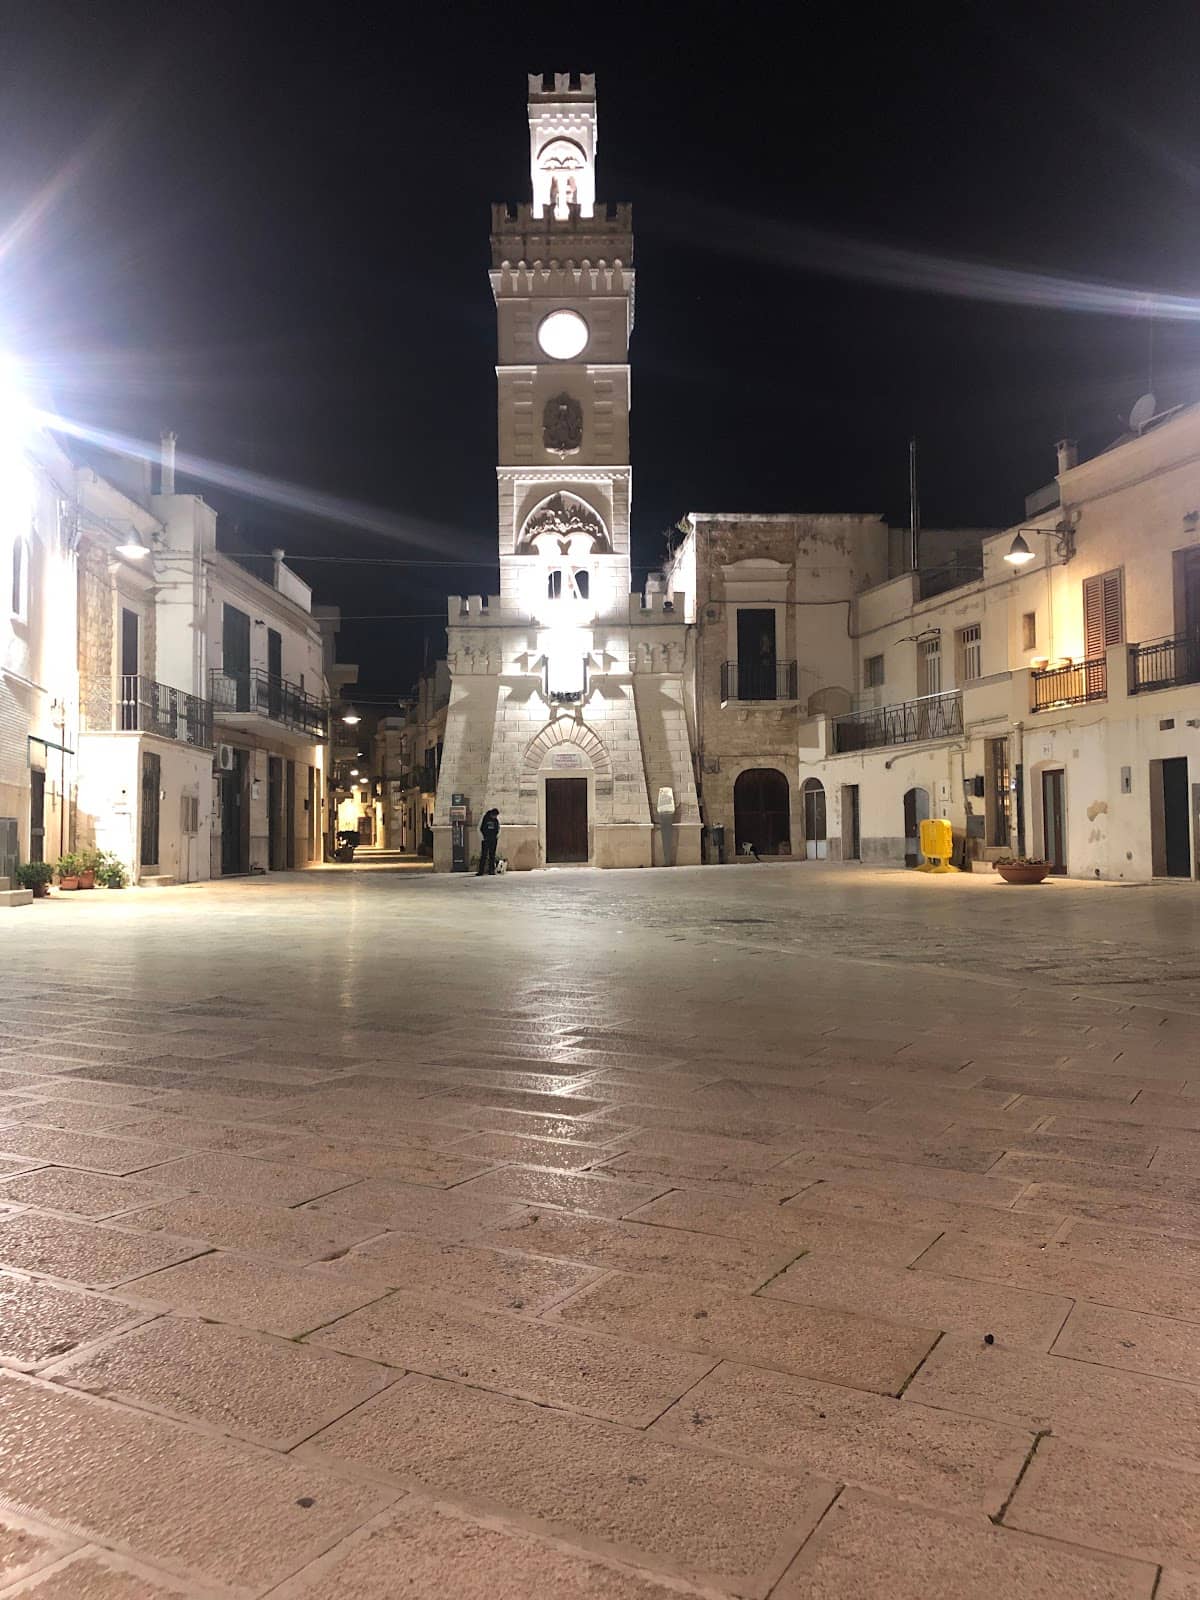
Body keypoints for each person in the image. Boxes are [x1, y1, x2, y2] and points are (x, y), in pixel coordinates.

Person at [477, 808, 500, 876]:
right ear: (491, 814)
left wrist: (496, 837)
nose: (495, 817)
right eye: (494, 816)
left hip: (493, 840)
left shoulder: (496, 820)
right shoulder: (484, 818)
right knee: (484, 855)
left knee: (492, 855)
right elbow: (479, 828)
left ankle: (491, 870)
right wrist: (482, 838)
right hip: (485, 839)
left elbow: (499, 828)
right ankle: (481, 871)